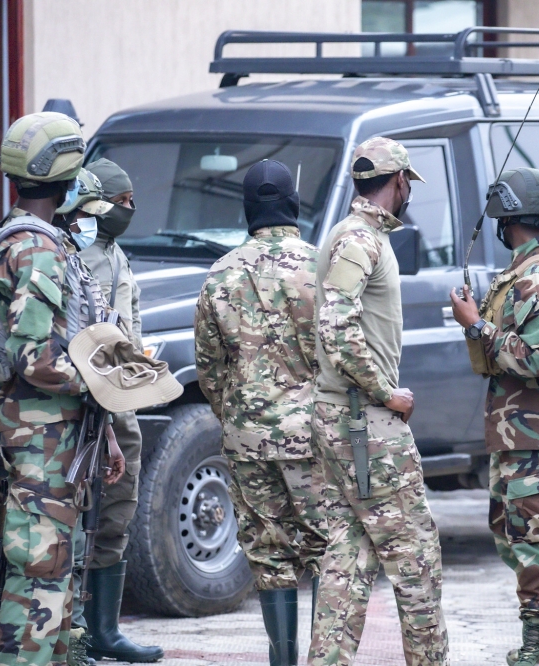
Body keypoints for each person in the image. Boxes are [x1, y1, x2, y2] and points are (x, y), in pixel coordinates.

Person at [0, 113, 122, 666]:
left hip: (61, 436)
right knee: (40, 576)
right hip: (43, 436)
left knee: (59, 579)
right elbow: (34, 357)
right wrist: (105, 383)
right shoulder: (35, 248)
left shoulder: (44, 241)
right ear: (64, 173)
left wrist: (105, 423)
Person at [308, 137, 449, 666]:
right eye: (408, 182)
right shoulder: (359, 240)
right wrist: (383, 390)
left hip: (347, 418)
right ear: (397, 182)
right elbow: (336, 329)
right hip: (363, 422)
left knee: (349, 556)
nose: (409, 190)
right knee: (415, 559)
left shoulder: (353, 237)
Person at [449, 167, 539, 666]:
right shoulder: (533, 268)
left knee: (533, 540)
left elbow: (536, 358)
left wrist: (477, 327)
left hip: (535, 431)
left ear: (509, 219)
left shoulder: (538, 276)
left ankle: (536, 652)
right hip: (520, 430)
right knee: (513, 535)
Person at [195, 159, 328, 666]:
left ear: (247, 208)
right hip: (313, 436)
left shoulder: (220, 273)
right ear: (294, 203)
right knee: (326, 550)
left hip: (247, 436)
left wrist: (235, 414)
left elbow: (209, 367)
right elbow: (343, 351)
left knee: (269, 554)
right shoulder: (320, 267)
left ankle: (283, 661)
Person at [70, 158, 164, 663]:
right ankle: (77, 630)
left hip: (121, 401)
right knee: (81, 516)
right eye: (123, 201)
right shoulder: (77, 252)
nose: (131, 209)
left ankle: (104, 630)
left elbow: (128, 328)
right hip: (89, 403)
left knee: (116, 513)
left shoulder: (116, 252)